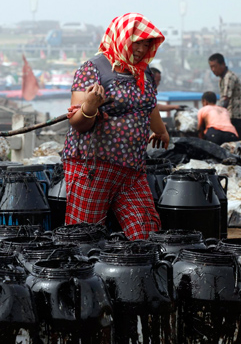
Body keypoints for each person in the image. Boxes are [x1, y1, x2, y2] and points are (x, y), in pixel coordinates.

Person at [62, 12, 169, 240]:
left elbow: (148, 105)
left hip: (132, 170)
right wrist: (90, 107)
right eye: (136, 42)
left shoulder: (143, 72)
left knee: (146, 231)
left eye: (146, 44)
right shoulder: (92, 69)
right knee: (85, 238)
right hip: (93, 168)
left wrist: (160, 130)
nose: (141, 49)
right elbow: (78, 123)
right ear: (122, 37)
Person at [208, 53, 241, 139]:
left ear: (223, 64)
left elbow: (225, 99)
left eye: (215, 66)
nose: (213, 70)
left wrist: (216, 115)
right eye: (211, 67)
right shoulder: (223, 78)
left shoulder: (229, 77)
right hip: (230, 117)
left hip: (235, 117)